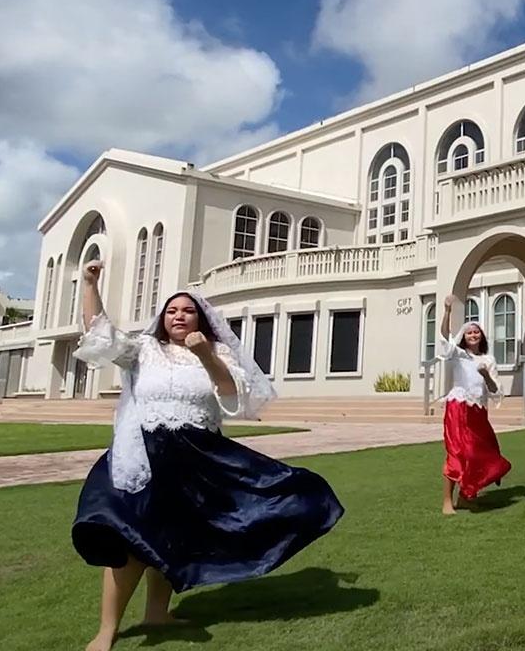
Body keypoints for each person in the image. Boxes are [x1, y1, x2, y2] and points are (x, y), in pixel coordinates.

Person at [71, 260, 343, 651]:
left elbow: (231, 397)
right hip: (141, 455)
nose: (178, 316)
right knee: (128, 541)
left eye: (187, 310)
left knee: (170, 538)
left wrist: (205, 356)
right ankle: (106, 631)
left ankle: (156, 614)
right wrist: (90, 284)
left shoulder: (218, 351)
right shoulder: (143, 349)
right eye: (171, 310)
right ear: (163, 318)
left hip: (195, 457)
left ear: (200, 318)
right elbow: (98, 333)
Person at [438, 294, 512, 515]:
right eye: (469, 332)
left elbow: (495, 390)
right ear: (464, 337)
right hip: (458, 408)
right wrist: (447, 312)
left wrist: (486, 375)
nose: (473, 334)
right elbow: (443, 337)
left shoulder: (488, 360)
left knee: (481, 453)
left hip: (478, 412)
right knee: (458, 453)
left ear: (482, 336)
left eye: (476, 331)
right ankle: (447, 502)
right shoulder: (459, 355)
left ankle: (466, 496)